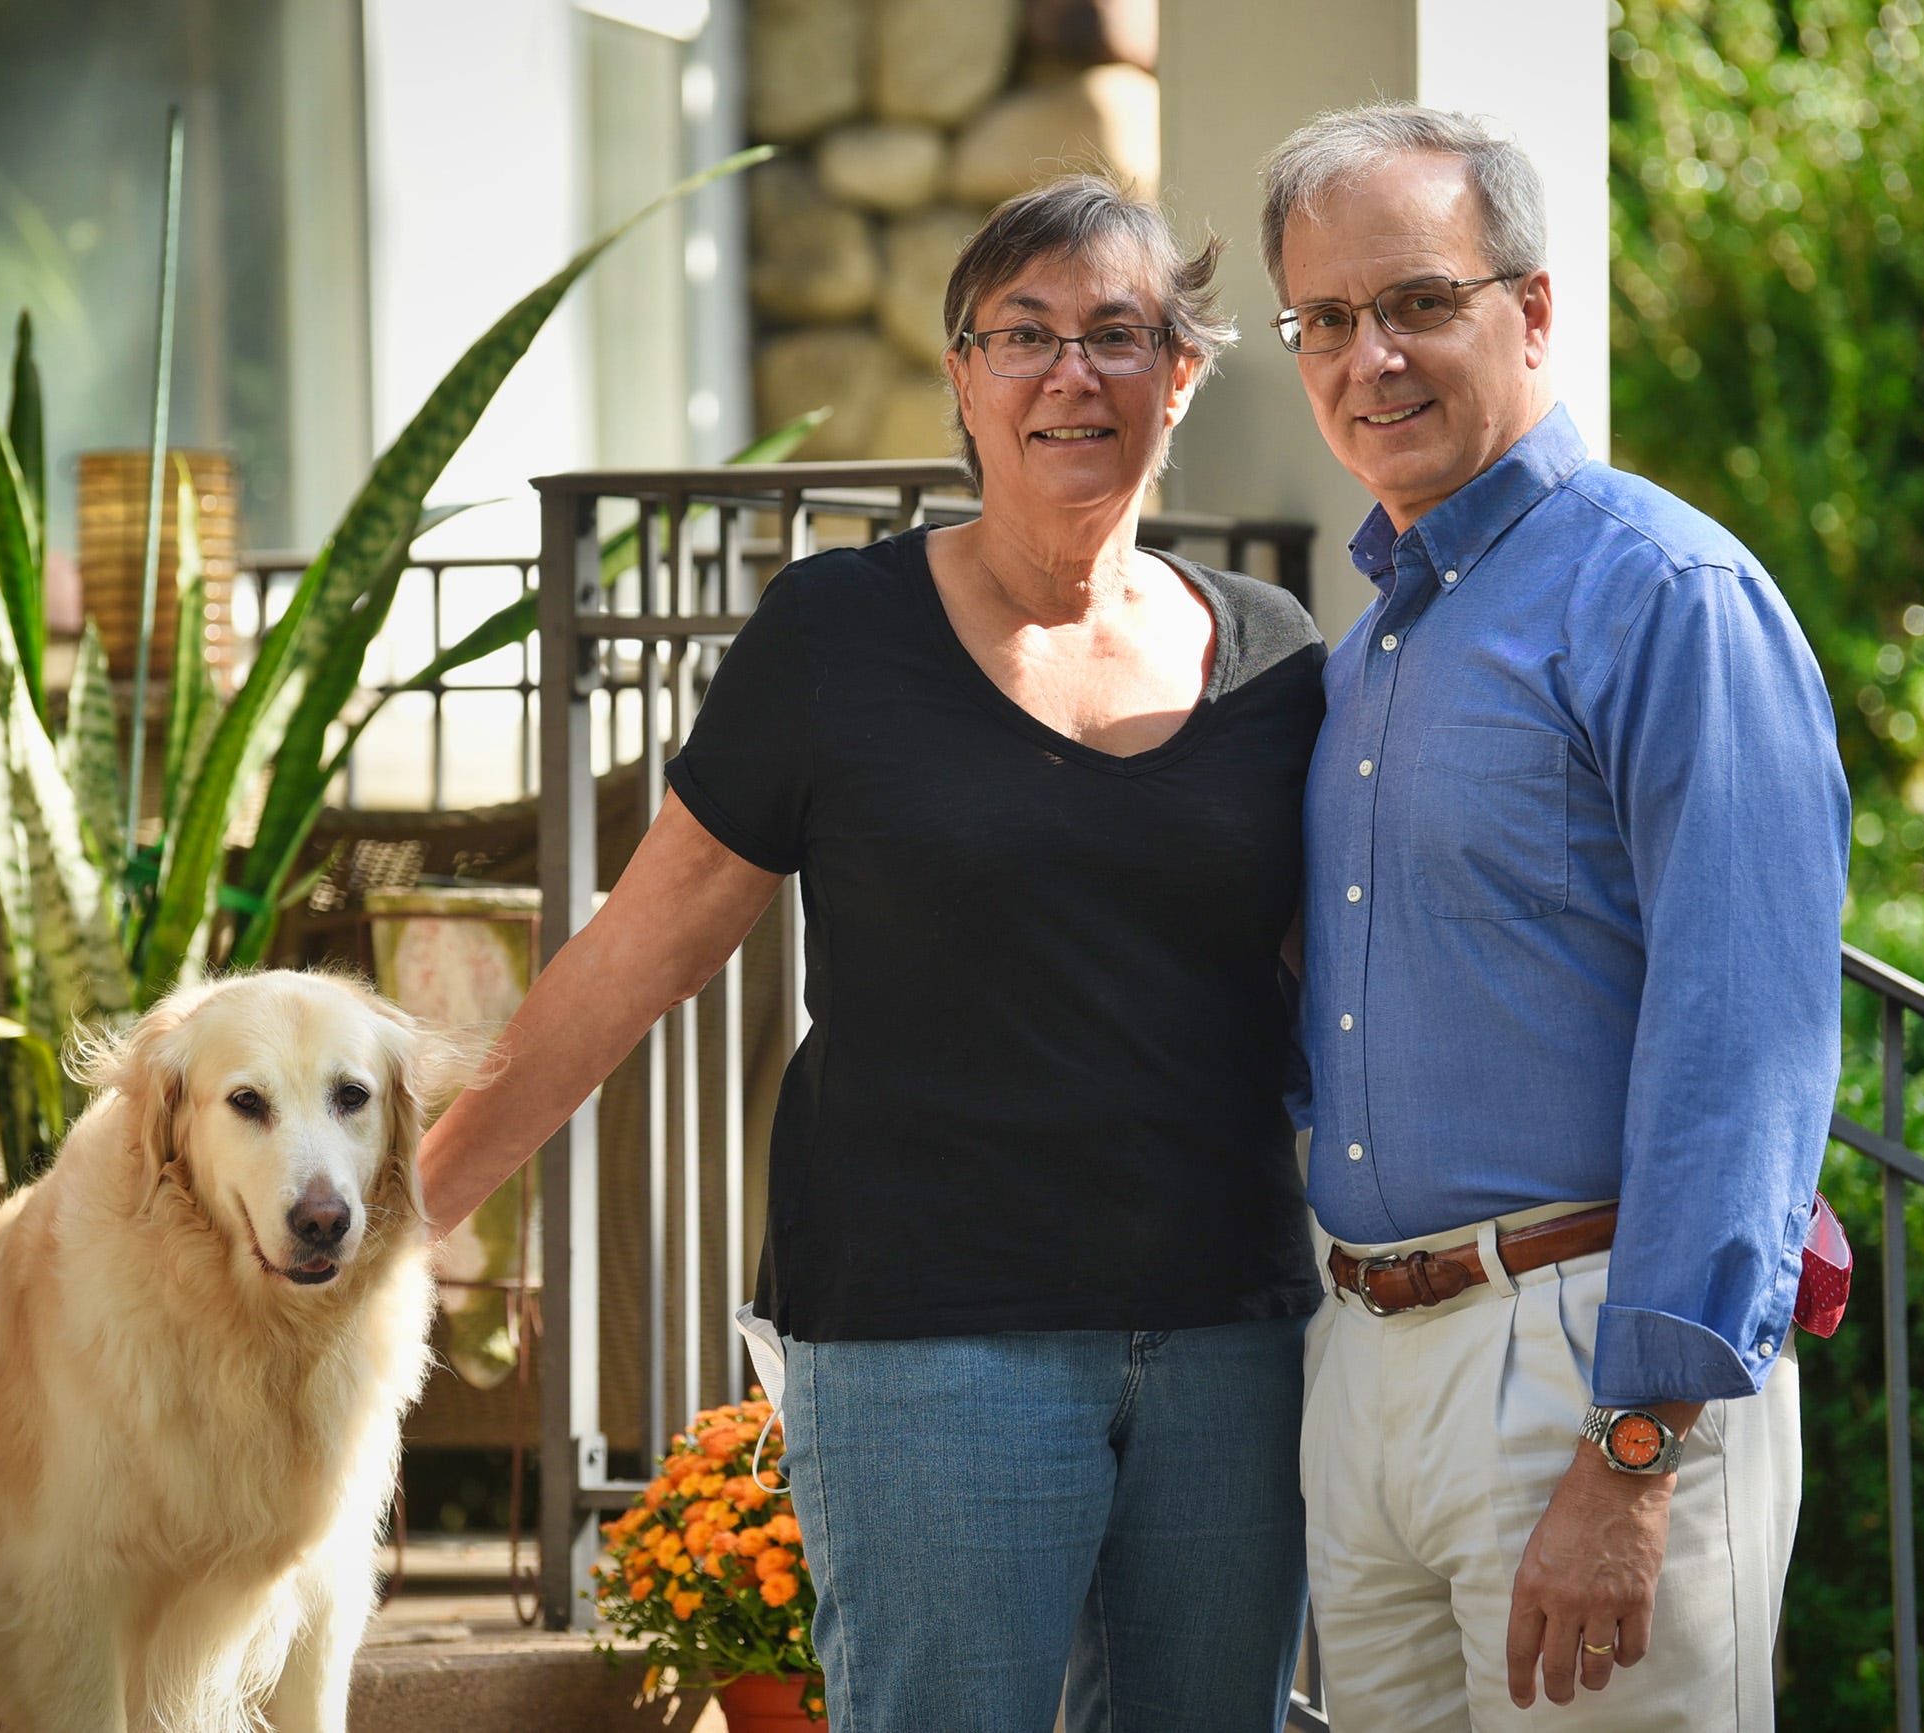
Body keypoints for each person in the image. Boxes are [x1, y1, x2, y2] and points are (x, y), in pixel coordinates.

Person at [418, 175, 1324, 1732]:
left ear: (1181, 373)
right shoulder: (839, 635)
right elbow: (640, 950)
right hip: (930, 1344)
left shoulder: (1277, 654)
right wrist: (413, 1207)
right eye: (1023, 335)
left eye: (1117, 335)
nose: (1070, 375)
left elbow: (1359, 984)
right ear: (963, 377)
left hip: (1227, 1340)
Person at [1261, 103, 1849, 1730]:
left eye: (1417, 302)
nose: (1367, 356)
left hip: (1584, 1369)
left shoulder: (1666, 595)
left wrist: (1640, 1440)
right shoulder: (1373, 644)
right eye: (1325, 320)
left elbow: (1749, 1040)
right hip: (1367, 1359)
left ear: (1529, 308)